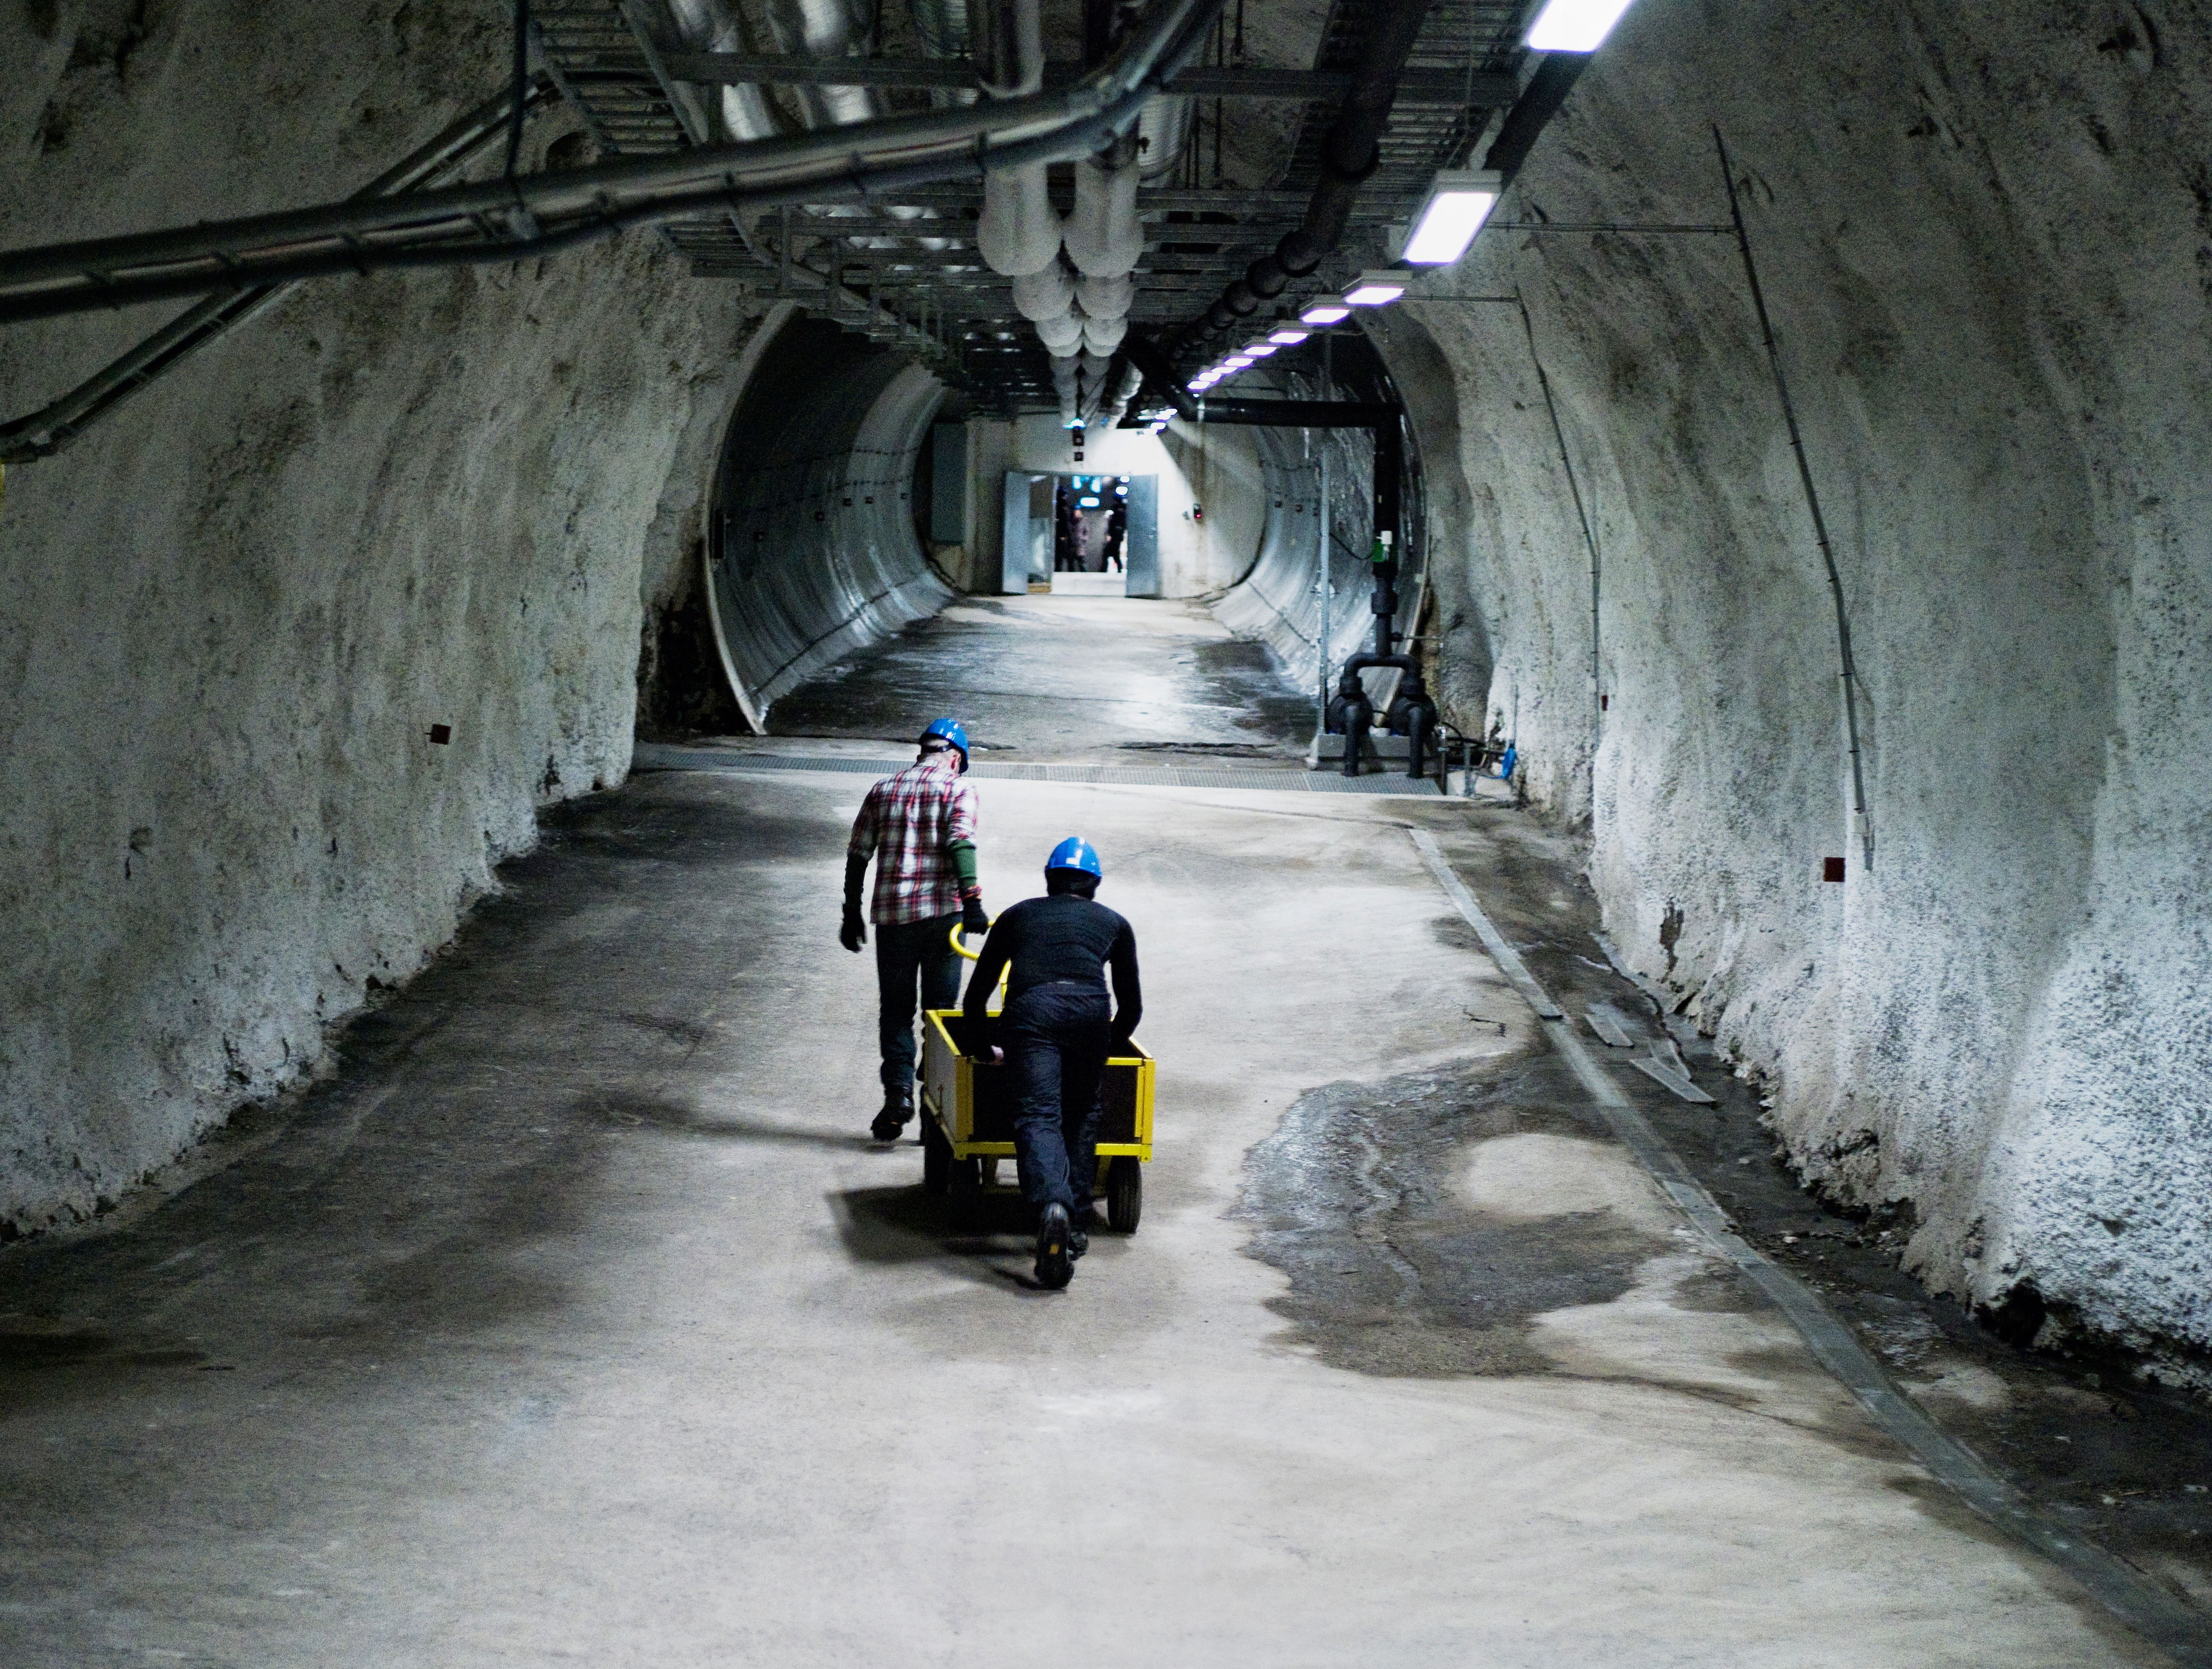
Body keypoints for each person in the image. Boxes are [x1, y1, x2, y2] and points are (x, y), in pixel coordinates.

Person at [962, 837, 1141, 1289]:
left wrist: (984, 1051)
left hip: (1033, 1013)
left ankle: (1052, 1207)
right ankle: (1075, 1226)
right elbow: (1132, 1008)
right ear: (1095, 884)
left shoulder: (1019, 915)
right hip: (1090, 1012)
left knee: (1039, 1115)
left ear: (1048, 878)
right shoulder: (1115, 923)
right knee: (1082, 1114)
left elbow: (976, 998)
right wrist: (1107, 1046)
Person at [843, 718, 991, 1142]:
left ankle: (897, 1097)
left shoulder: (883, 789)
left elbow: (858, 855)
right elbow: (960, 842)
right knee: (940, 1016)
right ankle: (933, 1111)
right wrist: (974, 902)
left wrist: (850, 911)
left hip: (893, 919)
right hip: (944, 917)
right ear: (955, 758)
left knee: (896, 1012)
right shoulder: (958, 788)